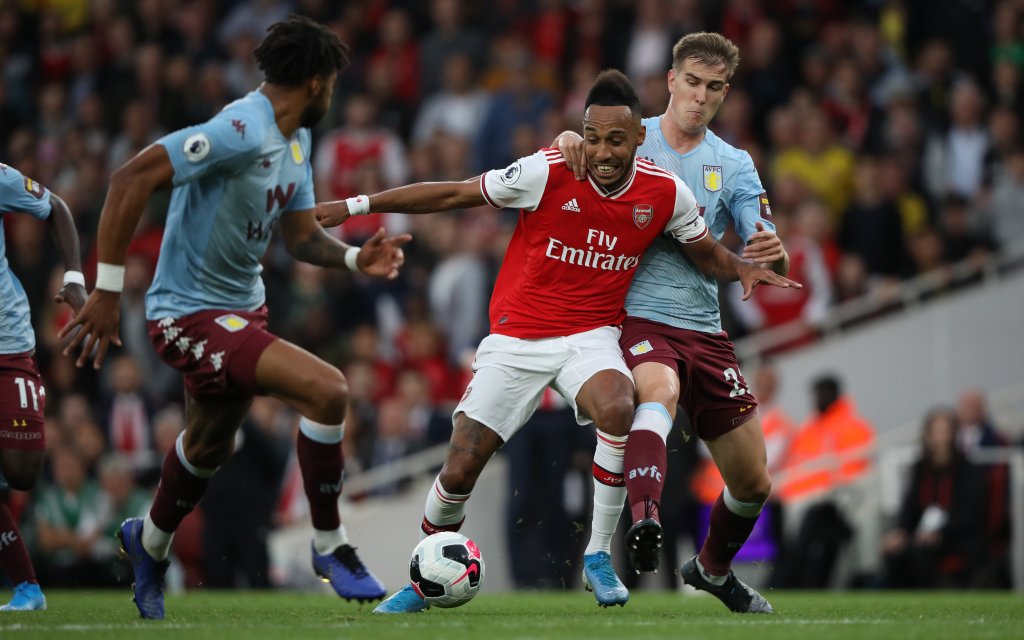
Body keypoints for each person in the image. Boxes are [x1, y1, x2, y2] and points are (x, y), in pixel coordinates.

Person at [316, 68, 800, 613]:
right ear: (582, 134)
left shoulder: (664, 192)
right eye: (592, 138)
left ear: (638, 138)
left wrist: (742, 269)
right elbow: (455, 193)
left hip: (591, 335)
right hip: (517, 338)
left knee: (619, 406)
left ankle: (596, 556)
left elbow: (705, 251)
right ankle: (422, 577)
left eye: (615, 140)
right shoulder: (546, 171)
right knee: (460, 466)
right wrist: (360, 206)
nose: (602, 152)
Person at [61, 16, 410, 619]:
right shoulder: (239, 129)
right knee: (329, 391)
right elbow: (130, 178)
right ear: (317, 80)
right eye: (332, 83)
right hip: (186, 315)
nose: (334, 94)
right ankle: (330, 546)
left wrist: (356, 257)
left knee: (207, 447)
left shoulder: (296, 139)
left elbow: (300, 237)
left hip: (241, 310)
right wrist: (108, 290)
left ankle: (147, 542)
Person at [553, 32, 789, 613]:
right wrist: (565, 140)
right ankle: (644, 519)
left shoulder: (733, 163)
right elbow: (575, 151)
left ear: (725, 92)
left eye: (714, 88)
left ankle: (711, 568)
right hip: (637, 316)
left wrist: (772, 251)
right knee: (657, 391)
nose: (701, 97)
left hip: (706, 327)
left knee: (754, 482)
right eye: (692, 83)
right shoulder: (634, 138)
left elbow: (762, 243)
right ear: (671, 81)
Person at [0, 162, 86, 611]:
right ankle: (28, 589)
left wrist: (73, 278)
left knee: (23, 472)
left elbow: (56, 207)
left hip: (8, 342)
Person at [881, 407, 989, 588]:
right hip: (922, 535)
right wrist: (900, 531)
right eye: (935, 432)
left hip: (957, 536)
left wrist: (940, 531)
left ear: (953, 434)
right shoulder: (920, 468)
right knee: (895, 551)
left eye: (944, 432)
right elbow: (910, 506)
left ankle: (926, 602)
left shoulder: (967, 469)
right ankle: (897, 607)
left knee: (921, 552)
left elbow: (972, 513)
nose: (939, 438)